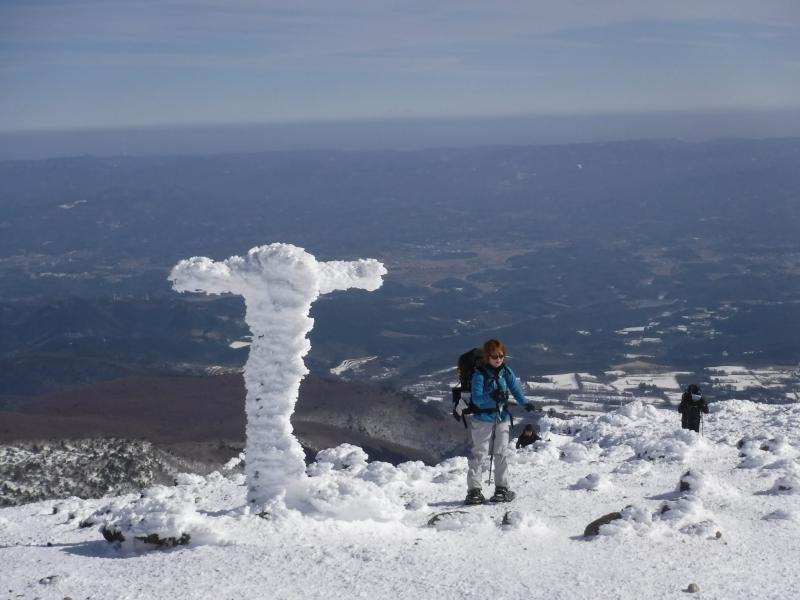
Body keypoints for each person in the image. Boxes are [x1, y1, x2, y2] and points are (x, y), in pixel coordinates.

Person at [465, 339, 533, 505]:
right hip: (482, 420)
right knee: (479, 454)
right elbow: (477, 399)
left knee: (501, 453)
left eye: (501, 355)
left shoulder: (505, 371)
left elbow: (515, 389)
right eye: (494, 356)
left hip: (501, 418)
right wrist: (493, 396)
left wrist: (525, 403)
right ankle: (474, 491)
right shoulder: (479, 375)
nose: (498, 359)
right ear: (487, 356)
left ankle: (501, 489)